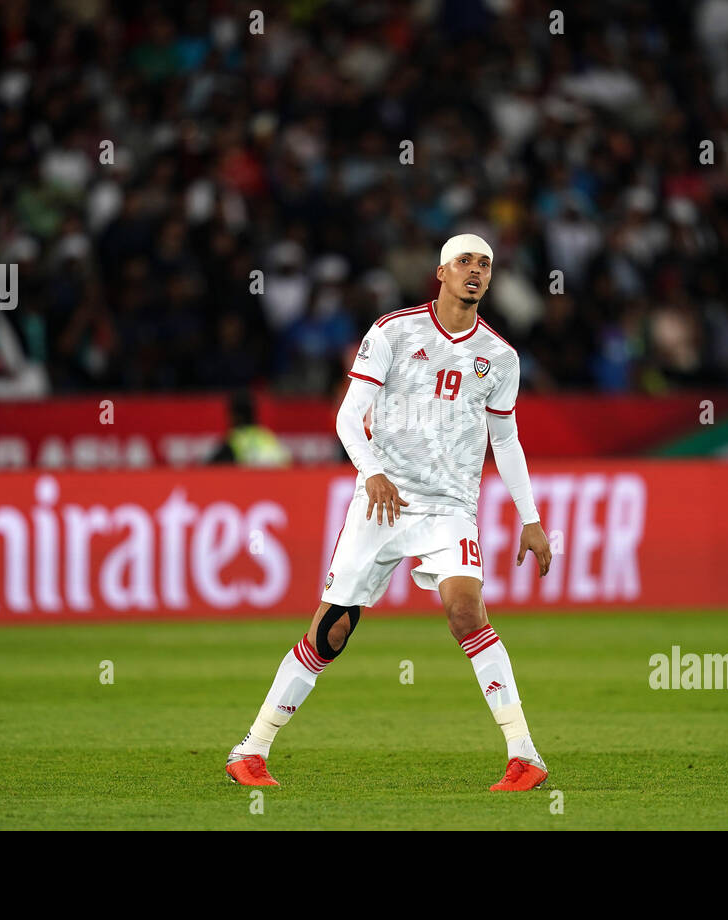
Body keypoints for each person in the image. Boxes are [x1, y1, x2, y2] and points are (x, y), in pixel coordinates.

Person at [225, 234, 554, 791]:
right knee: (330, 632)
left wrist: (531, 518)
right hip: (382, 501)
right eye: (465, 262)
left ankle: (525, 755)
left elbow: (507, 440)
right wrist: (371, 471)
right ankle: (251, 749)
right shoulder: (394, 331)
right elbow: (348, 417)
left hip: (449, 507)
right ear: (442, 272)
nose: (476, 272)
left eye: (486, 265)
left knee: (465, 611)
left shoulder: (499, 357)